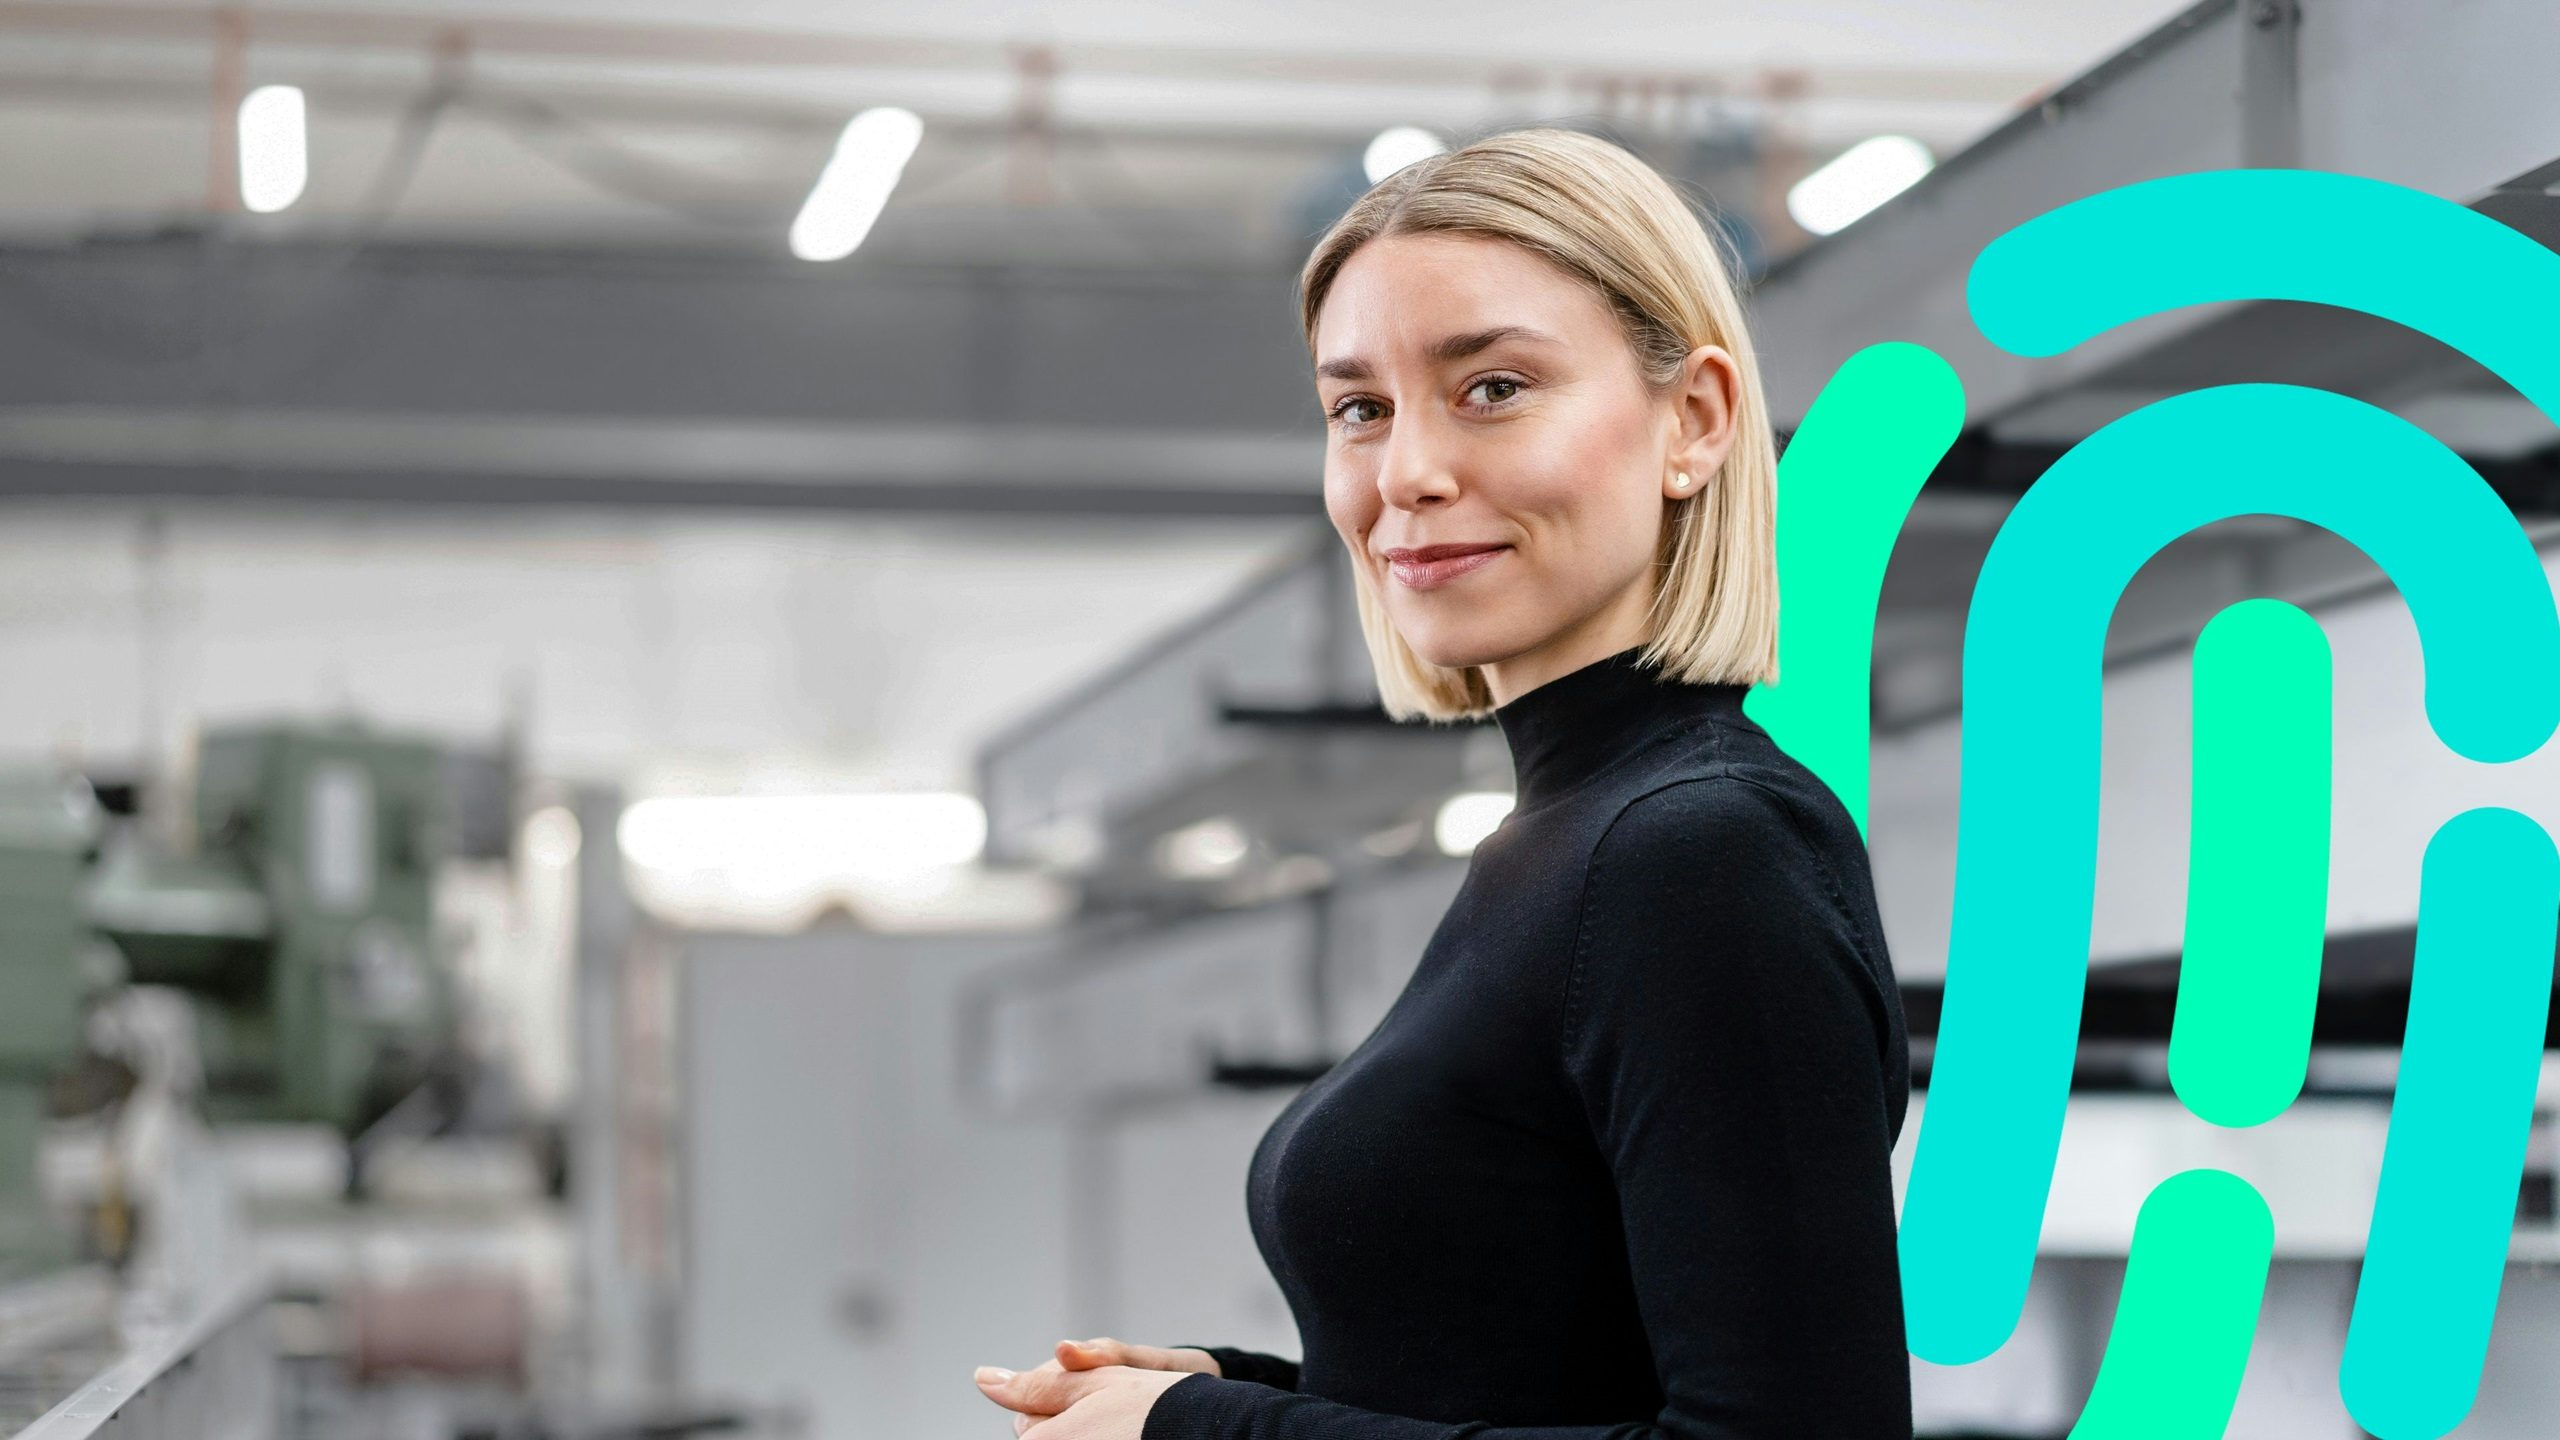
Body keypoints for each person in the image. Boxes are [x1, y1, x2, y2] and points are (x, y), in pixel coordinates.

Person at [971, 126, 1912, 1440]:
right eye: (1360, 409)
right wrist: (1231, 1393)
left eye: (1493, 389)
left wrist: (1206, 1436)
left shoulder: (1698, 851)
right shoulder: (1567, 840)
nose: (1405, 473)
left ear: (1692, 422)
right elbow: (1542, 1378)